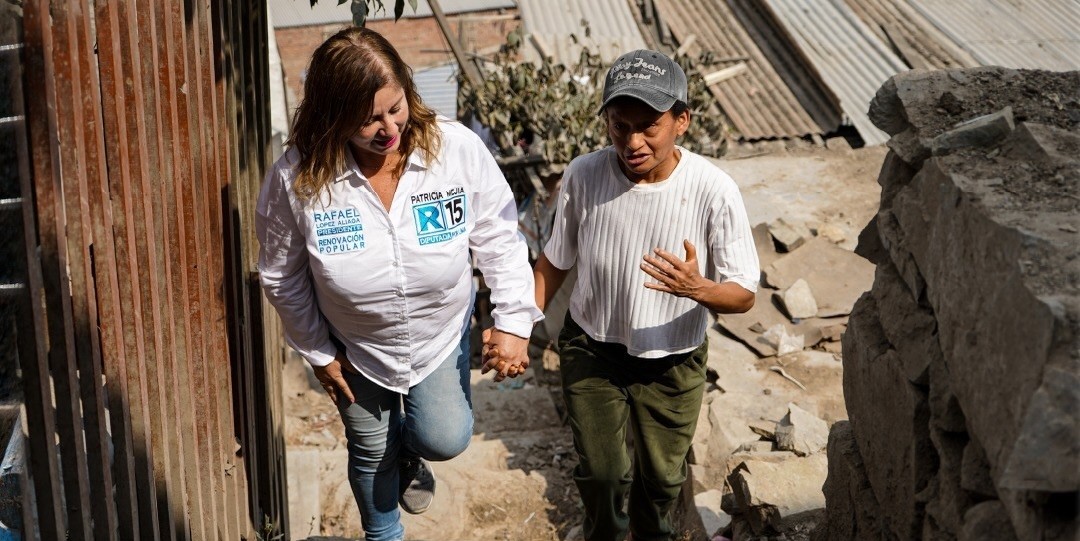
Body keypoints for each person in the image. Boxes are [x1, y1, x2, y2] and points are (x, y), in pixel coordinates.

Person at [256, 27, 541, 541]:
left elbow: (499, 235)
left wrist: (513, 321)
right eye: (368, 119)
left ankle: (410, 451)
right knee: (371, 448)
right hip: (354, 345)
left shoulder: (454, 149)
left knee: (445, 438)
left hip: (438, 333)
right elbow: (282, 275)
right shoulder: (296, 179)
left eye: (396, 108)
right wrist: (319, 354)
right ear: (332, 116)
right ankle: (383, 533)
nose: (389, 129)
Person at [527, 50, 760, 541]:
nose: (632, 142)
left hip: (672, 359)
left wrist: (698, 289)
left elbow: (742, 295)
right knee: (602, 476)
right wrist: (514, 328)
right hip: (592, 348)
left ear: (682, 121)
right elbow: (555, 260)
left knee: (660, 483)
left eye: (649, 126)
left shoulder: (713, 189)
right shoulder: (584, 174)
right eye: (620, 126)